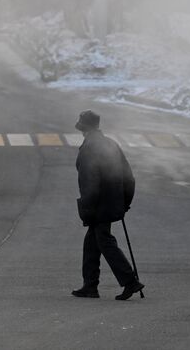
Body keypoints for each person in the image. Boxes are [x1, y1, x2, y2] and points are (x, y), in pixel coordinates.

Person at [72, 110, 144, 301]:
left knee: (104, 240)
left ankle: (130, 281)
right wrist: (125, 202)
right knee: (92, 243)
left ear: (84, 129)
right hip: (112, 203)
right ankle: (90, 285)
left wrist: (87, 208)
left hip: (98, 205)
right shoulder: (111, 144)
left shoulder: (89, 148)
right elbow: (129, 177)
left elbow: (90, 182)